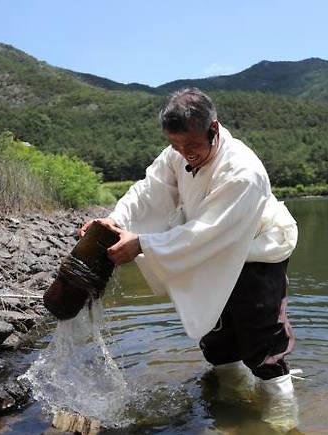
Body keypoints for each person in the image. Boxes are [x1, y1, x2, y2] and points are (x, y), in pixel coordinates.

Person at [79, 87, 299, 399]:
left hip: (256, 252)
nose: (185, 153)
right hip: (206, 250)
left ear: (214, 129)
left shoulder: (243, 172)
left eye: (192, 144)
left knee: (261, 343)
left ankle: (281, 422)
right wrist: (116, 221)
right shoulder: (178, 151)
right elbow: (149, 191)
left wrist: (142, 244)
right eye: (175, 144)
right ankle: (231, 409)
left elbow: (207, 232)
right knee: (218, 337)